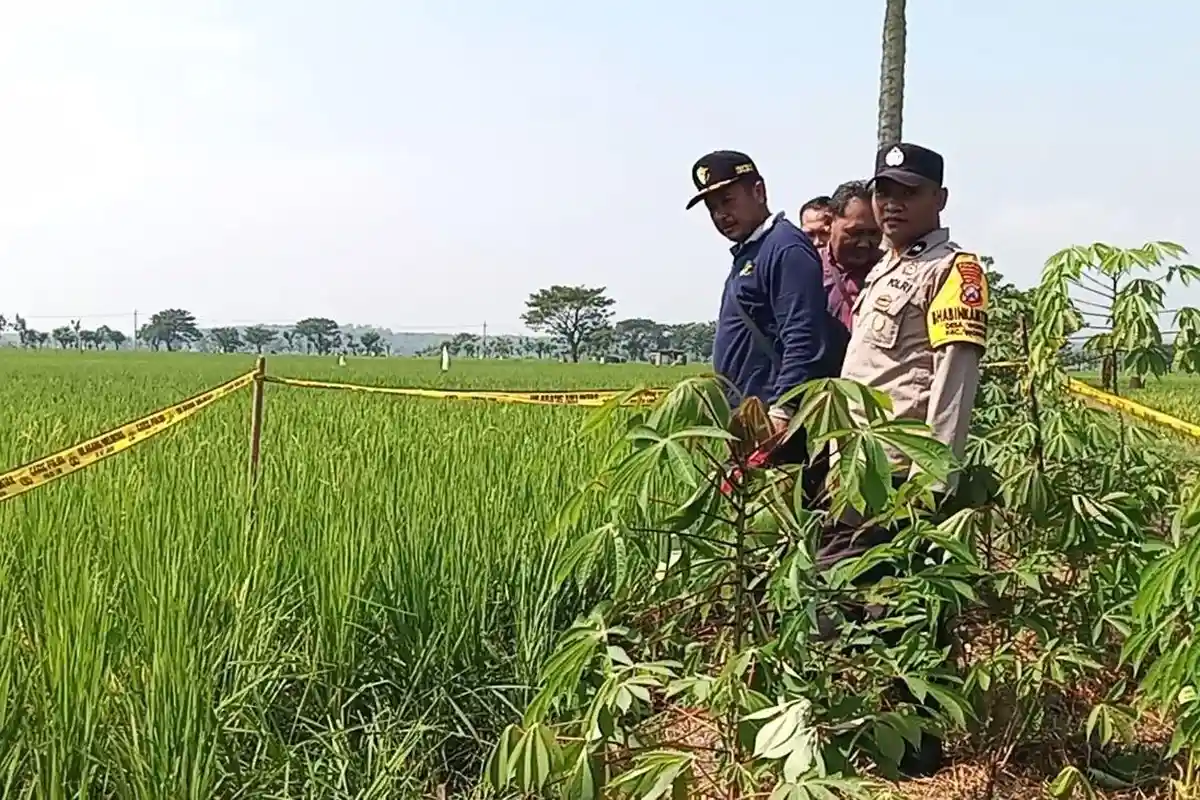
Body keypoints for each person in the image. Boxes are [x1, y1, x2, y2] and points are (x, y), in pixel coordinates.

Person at [821, 142, 988, 776]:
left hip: (898, 473)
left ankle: (914, 750)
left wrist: (932, 477)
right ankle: (873, 730)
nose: (893, 204)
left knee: (901, 610)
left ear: (939, 201)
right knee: (848, 600)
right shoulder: (889, 270)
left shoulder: (953, 271)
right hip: (856, 468)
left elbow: (953, 378)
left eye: (908, 192)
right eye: (885, 191)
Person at [687, 150, 835, 475]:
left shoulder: (785, 248)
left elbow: (802, 336)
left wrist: (783, 411)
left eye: (728, 200)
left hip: (773, 422)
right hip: (747, 419)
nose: (721, 214)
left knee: (777, 520)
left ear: (759, 191)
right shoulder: (751, 250)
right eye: (713, 208)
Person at [822, 180, 882, 370]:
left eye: (873, 233)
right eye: (855, 233)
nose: (864, 243)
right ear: (829, 222)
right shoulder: (805, 268)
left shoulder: (890, 271)